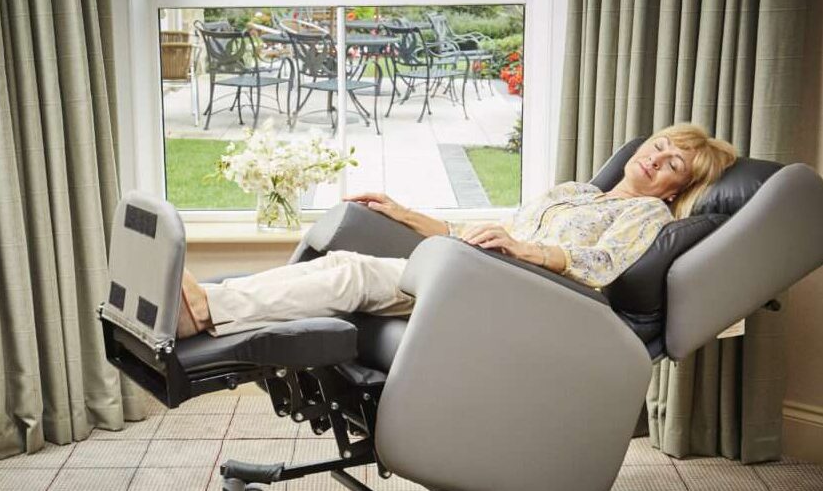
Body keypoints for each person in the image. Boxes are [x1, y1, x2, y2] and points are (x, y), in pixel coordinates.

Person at [176, 123, 737, 339]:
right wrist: (403, 212)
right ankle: (209, 304)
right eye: (660, 146)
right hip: (481, 270)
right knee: (346, 266)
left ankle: (202, 310)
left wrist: (529, 251)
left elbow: (601, 265)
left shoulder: (647, 216)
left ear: (675, 189)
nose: (656, 159)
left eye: (673, 164)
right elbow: (486, 231)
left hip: (523, 296)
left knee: (353, 275)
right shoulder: (577, 193)